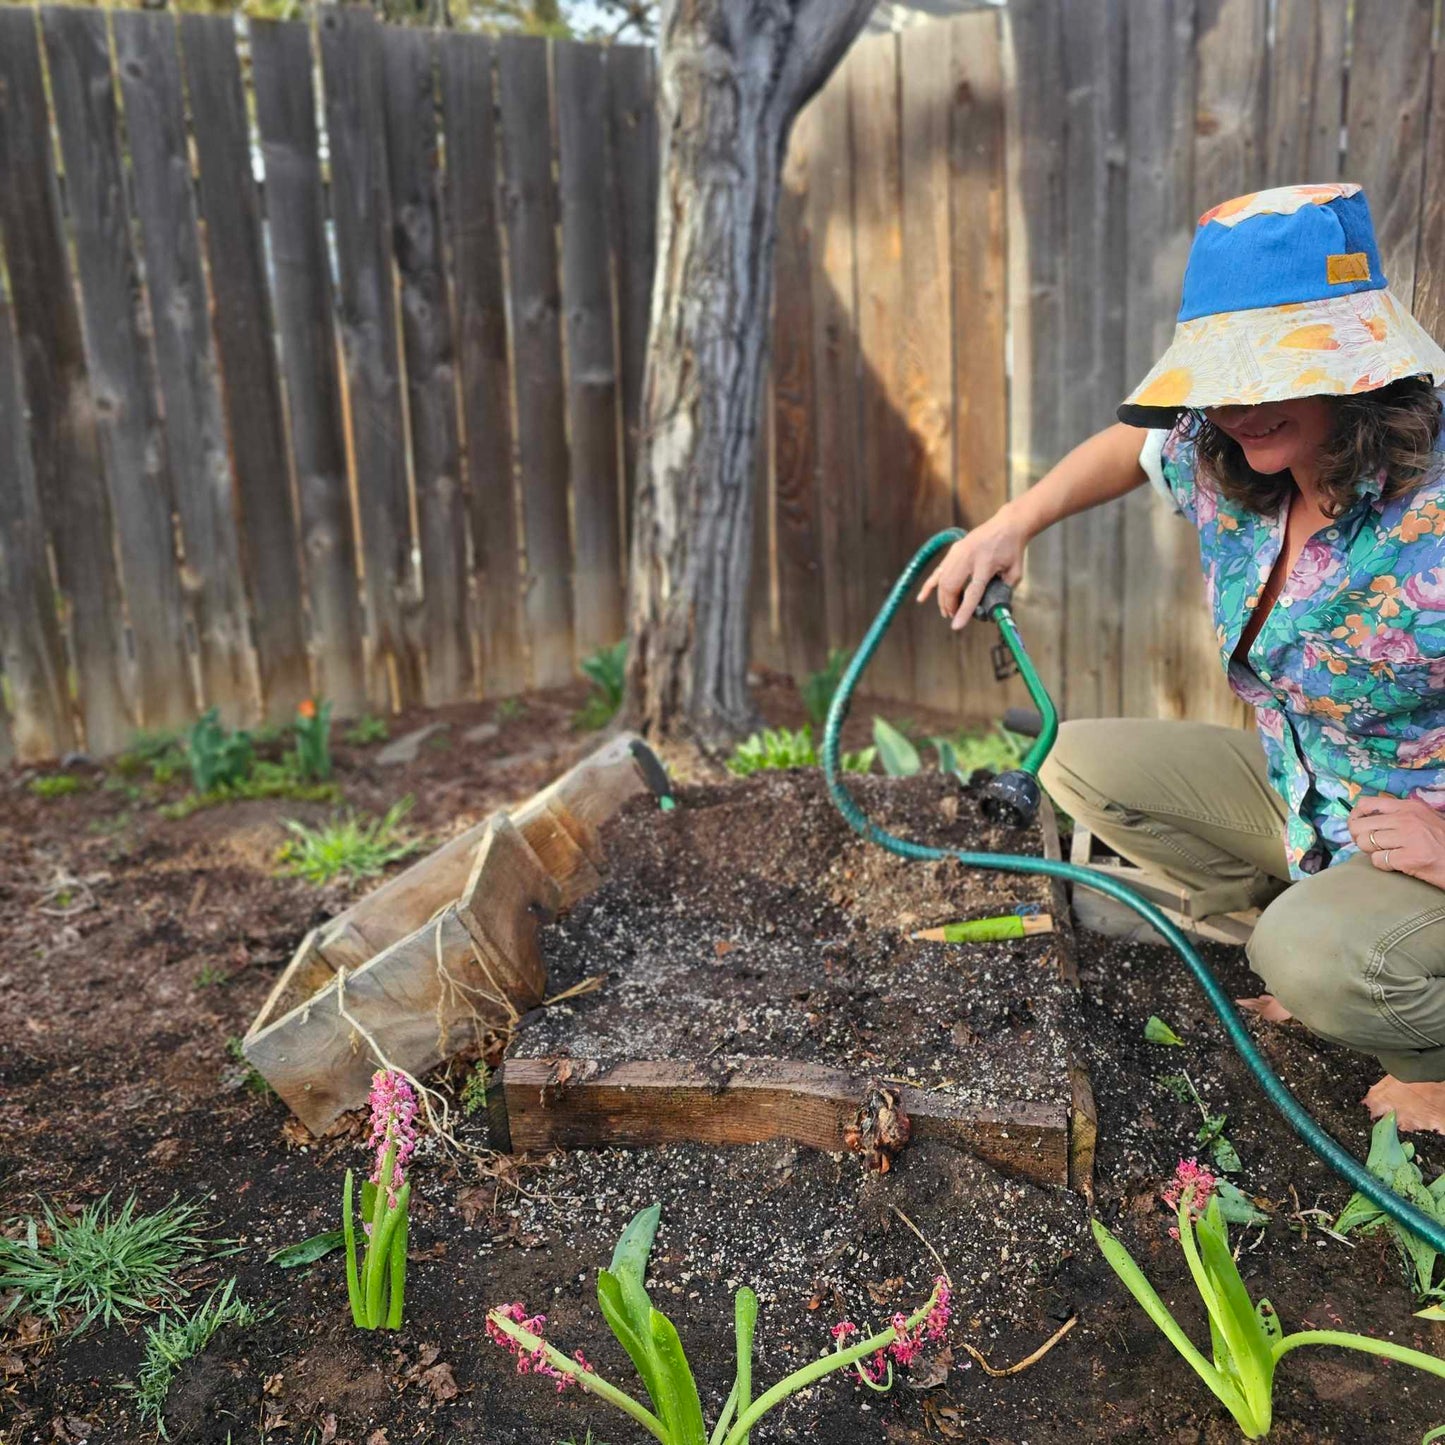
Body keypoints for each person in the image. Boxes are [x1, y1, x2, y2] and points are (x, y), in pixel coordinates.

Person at [920, 183, 1445, 1133]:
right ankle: (1326, 941)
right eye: (1218, 377)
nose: (1234, 408)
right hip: (1314, 789)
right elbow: (1138, 443)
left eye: (1269, 371)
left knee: (1315, 955)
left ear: (1357, 363)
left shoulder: (1433, 512)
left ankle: (1424, 1050)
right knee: (1077, 762)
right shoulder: (1227, 447)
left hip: (1428, 828)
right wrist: (1011, 522)